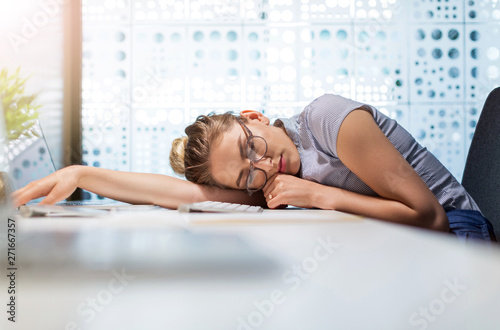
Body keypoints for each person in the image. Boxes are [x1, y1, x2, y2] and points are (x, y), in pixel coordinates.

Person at [12, 94, 496, 243]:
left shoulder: (327, 120)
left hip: (459, 232)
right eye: (246, 176)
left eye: (251, 146)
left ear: (253, 118)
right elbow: (180, 195)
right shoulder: (270, 181)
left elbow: (429, 215)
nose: (261, 164)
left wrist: (322, 196)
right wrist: (82, 174)